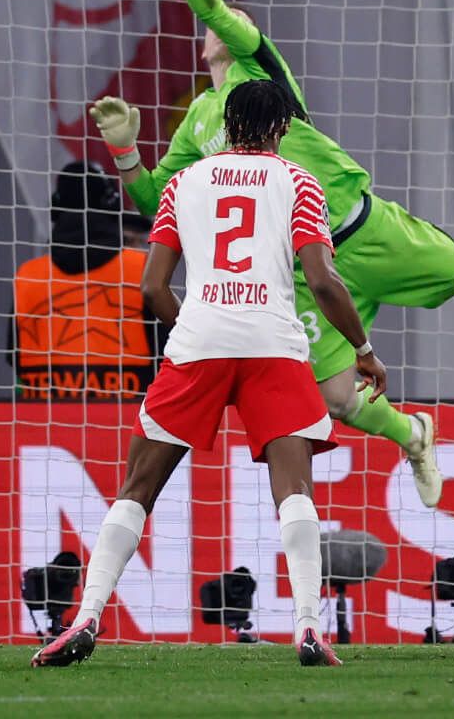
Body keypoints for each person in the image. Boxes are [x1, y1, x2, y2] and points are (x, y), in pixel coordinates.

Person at [92, 0, 454, 508]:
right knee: (338, 399)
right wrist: (126, 152)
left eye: (240, 21)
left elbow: (211, 8)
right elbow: (160, 207)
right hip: (302, 265)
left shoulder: (265, 74)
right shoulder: (199, 121)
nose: (235, 24)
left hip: (371, 233)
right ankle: (415, 435)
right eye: (229, 22)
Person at [32, 80, 386, 669]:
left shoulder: (182, 182)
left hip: (199, 341)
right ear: (280, 130)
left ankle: (87, 617)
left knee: (136, 488)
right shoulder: (298, 182)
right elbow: (323, 280)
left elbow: (151, 288)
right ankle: (307, 628)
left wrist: (193, 324)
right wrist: (364, 348)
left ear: (228, 123)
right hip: (273, 342)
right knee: (293, 490)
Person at [12, 163, 159, 401]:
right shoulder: (141, 269)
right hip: (128, 418)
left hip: (43, 419)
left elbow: (13, 354)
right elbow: (172, 347)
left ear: (56, 208)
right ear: (112, 207)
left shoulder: (28, 276)